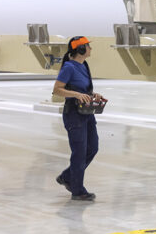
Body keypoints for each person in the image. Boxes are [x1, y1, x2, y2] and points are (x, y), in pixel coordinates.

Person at [52, 36, 106, 201]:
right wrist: (76, 95)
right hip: (74, 115)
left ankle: (67, 177)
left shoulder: (84, 65)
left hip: (86, 112)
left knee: (92, 148)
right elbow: (57, 89)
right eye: (88, 46)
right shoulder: (69, 67)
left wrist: (92, 94)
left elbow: (81, 89)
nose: (90, 49)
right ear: (81, 49)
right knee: (79, 152)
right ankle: (77, 190)